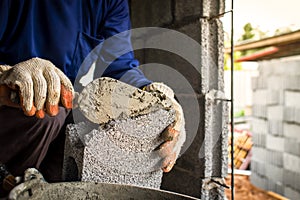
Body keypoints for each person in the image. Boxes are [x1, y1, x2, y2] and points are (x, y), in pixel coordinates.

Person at [0, 0, 185, 190]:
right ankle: (13, 188)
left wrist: (156, 96)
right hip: (12, 104)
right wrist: (5, 74)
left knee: (93, 128)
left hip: (66, 104)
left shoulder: (109, 3)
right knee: (47, 116)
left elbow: (120, 67)